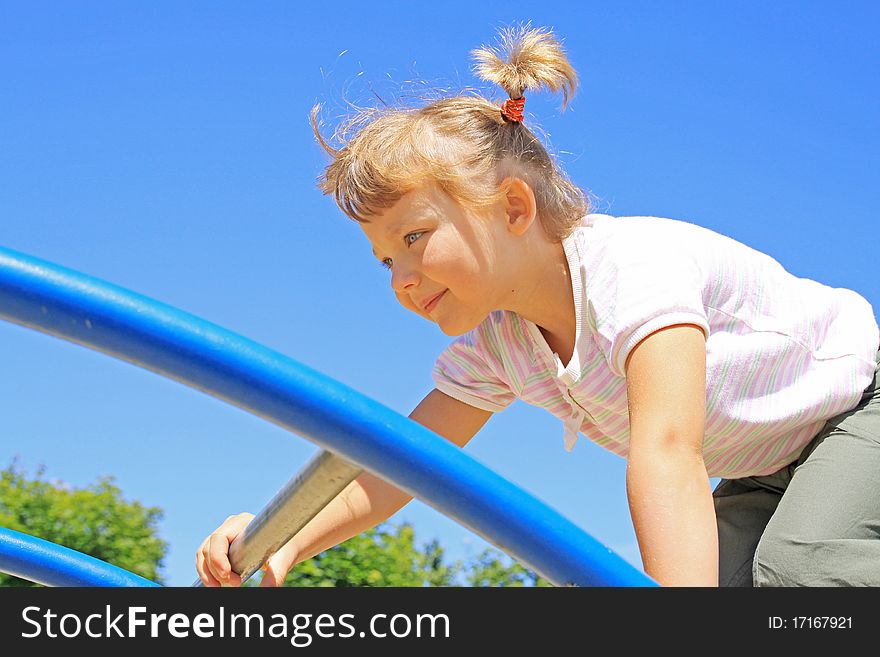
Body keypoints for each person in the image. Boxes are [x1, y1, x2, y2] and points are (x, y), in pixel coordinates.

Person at [196, 25, 880, 587]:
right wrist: (283, 539)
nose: (400, 278)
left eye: (413, 237)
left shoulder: (632, 275)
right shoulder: (502, 343)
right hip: (766, 463)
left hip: (856, 410)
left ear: (514, 207)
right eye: (385, 260)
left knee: (799, 574)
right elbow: (402, 463)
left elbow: (668, 451)